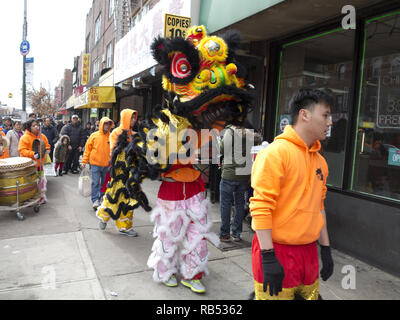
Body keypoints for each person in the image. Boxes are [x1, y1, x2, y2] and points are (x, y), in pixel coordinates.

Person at [250, 88, 334, 300]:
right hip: (276, 251)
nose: (330, 122)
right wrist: (268, 257)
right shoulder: (275, 154)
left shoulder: (320, 162)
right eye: (325, 115)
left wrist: (325, 249)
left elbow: (319, 207)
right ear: (304, 114)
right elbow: (261, 207)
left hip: (308, 253)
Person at [96, 109, 138, 236]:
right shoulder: (115, 133)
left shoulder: (135, 134)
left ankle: (124, 226)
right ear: (125, 118)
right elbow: (114, 152)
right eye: (131, 118)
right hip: (119, 172)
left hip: (131, 172)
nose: (133, 121)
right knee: (113, 196)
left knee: (129, 199)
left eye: (134, 118)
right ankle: (103, 217)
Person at [219, 124, 257, 242]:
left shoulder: (230, 131)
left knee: (226, 204)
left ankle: (225, 234)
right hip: (244, 174)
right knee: (240, 204)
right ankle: (236, 233)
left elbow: (222, 149)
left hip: (229, 174)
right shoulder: (250, 132)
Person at [81, 117, 114, 211]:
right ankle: (95, 200)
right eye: (105, 124)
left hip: (107, 165)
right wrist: (84, 161)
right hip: (95, 164)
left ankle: (102, 199)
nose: (107, 126)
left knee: (104, 184)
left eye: (108, 124)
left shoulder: (111, 136)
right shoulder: (94, 136)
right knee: (95, 183)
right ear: (101, 124)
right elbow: (87, 149)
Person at [18, 119, 51, 204]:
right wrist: (33, 154)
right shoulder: (24, 137)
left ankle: (41, 197)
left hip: (40, 164)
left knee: (42, 181)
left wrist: (47, 150)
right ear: (29, 127)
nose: (36, 127)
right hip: (29, 166)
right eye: (33, 125)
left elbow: (47, 145)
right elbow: (22, 150)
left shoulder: (42, 136)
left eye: (37, 125)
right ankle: (29, 199)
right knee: (30, 183)